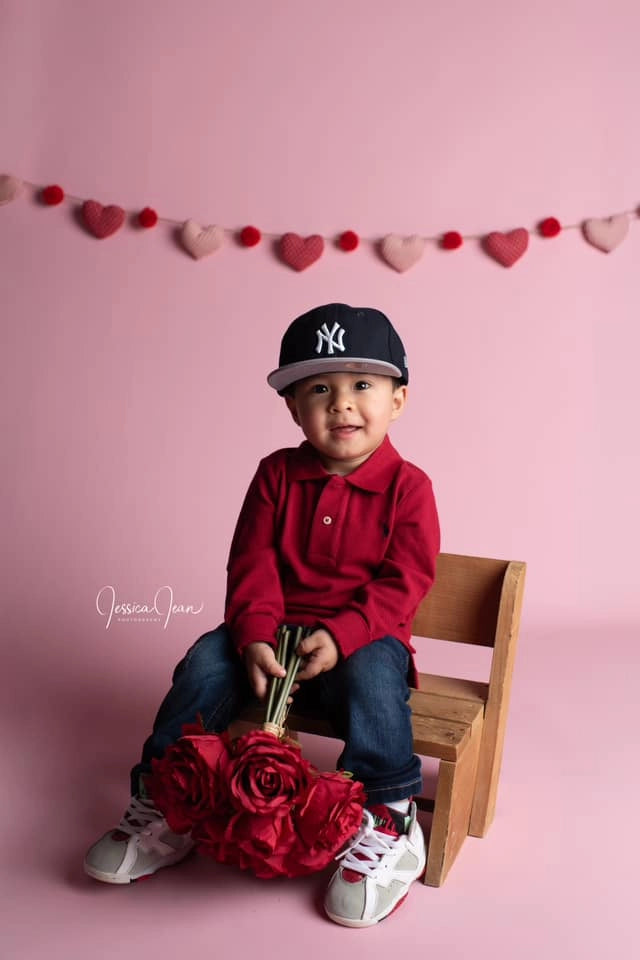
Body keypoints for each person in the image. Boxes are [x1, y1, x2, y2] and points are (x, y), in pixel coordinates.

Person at [84, 302, 440, 927]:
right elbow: (251, 565)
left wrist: (344, 633)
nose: (342, 404)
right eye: (319, 390)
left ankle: (391, 816)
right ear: (292, 407)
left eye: (363, 385)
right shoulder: (276, 474)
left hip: (362, 636)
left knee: (375, 680)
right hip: (270, 632)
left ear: (399, 399)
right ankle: (169, 799)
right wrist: (250, 637)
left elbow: (405, 581)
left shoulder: (409, 488)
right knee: (203, 661)